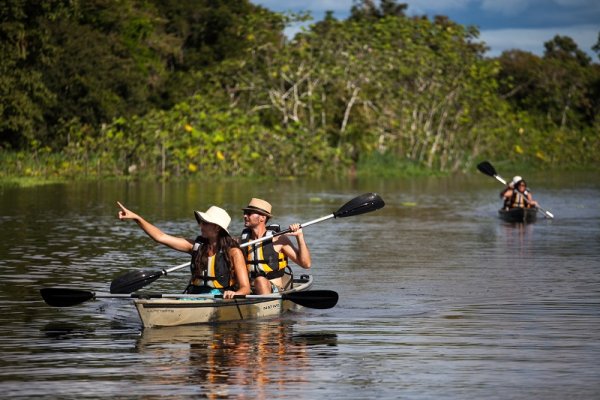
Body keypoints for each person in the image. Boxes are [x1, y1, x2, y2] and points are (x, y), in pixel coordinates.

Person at [116, 201, 250, 299]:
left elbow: (245, 288)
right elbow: (160, 237)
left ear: (217, 228)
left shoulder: (234, 252)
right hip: (194, 295)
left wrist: (235, 293)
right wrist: (137, 218)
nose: (201, 225)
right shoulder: (195, 246)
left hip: (218, 298)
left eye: (205, 223)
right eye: (201, 222)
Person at [239, 198, 311, 295]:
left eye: (249, 213)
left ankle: (265, 307)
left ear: (262, 218)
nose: (245, 216)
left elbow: (306, 264)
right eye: (245, 212)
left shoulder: (279, 239)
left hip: (273, 290)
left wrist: (299, 236)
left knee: (260, 280)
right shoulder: (242, 241)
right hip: (250, 290)